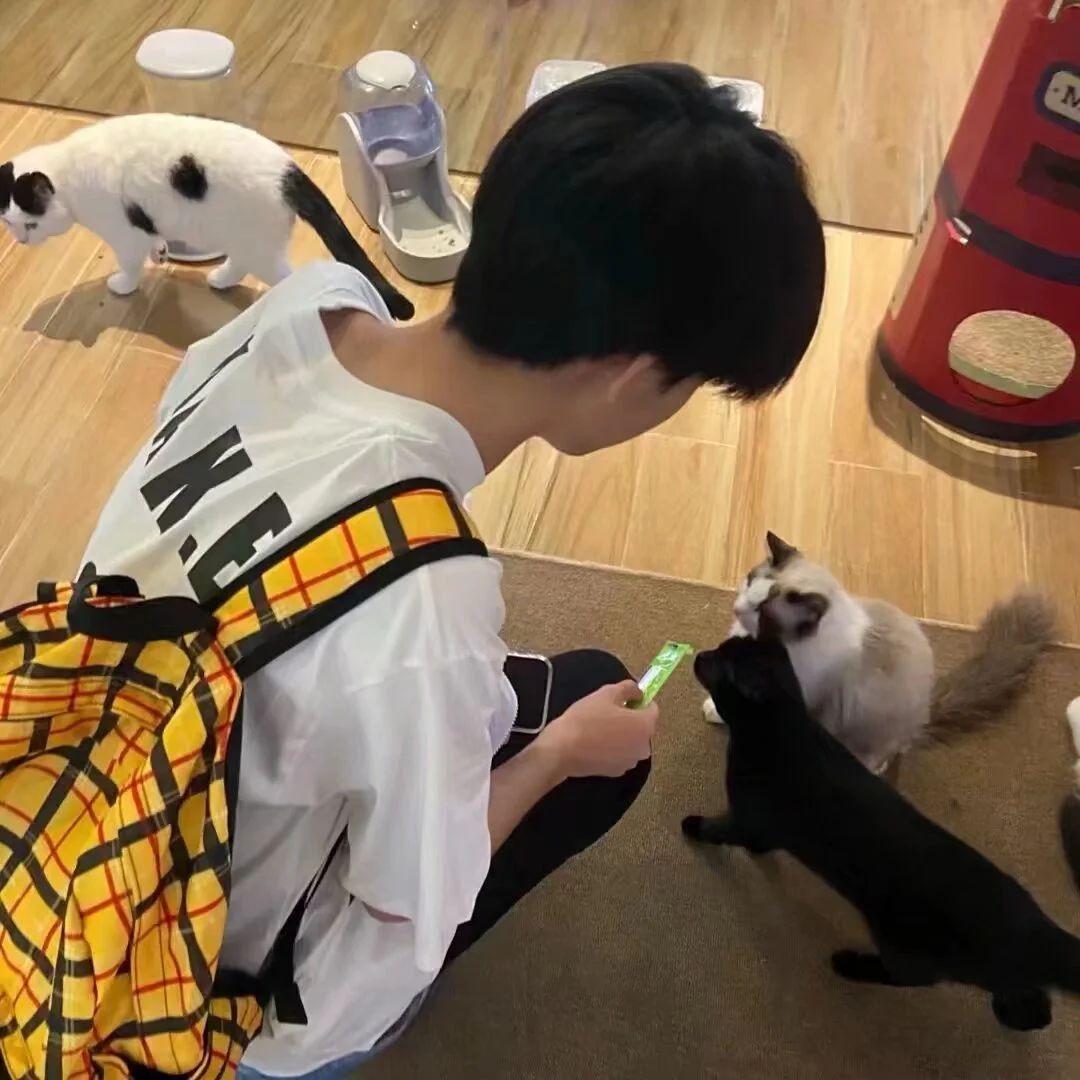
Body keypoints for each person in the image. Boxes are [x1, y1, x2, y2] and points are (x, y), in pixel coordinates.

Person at [81, 62, 825, 1078]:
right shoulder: (423, 613)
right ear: (630, 378)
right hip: (222, 1003)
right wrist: (555, 757)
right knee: (595, 735)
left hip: (93, 799)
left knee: (533, 697)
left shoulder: (300, 308)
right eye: (690, 385)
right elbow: (395, 927)